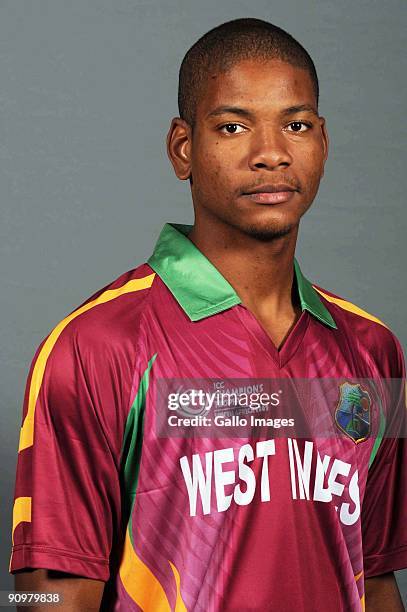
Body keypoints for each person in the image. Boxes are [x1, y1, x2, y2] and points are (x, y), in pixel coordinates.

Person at [9, 17, 406, 611]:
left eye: (295, 125)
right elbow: (46, 598)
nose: (271, 154)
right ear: (183, 148)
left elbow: (373, 580)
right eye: (232, 126)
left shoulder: (372, 351)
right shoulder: (94, 346)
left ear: (322, 142)